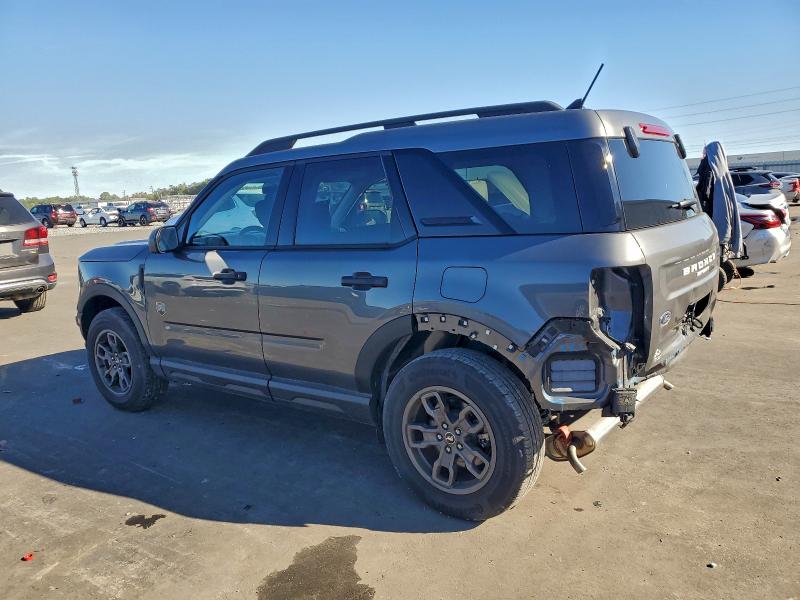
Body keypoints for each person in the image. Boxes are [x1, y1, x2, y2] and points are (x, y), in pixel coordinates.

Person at [695, 141, 742, 285]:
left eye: (704, 152)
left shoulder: (709, 167)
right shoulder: (722, 168)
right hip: (719, 211)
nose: (702, 155)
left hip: (710, 213)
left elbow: (706, 193)